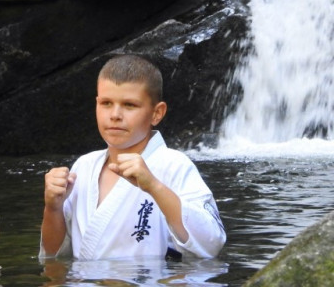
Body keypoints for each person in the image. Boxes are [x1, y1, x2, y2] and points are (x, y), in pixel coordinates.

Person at [40, 54, 225, 260]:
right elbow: (53, 256)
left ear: (157, 113)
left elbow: (211, 243)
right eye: (106, 103)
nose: (115, 115)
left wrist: (154, 187)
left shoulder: (174, 165)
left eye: (129, 105)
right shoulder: (83, 167)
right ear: (96, 104)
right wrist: (53, 207)